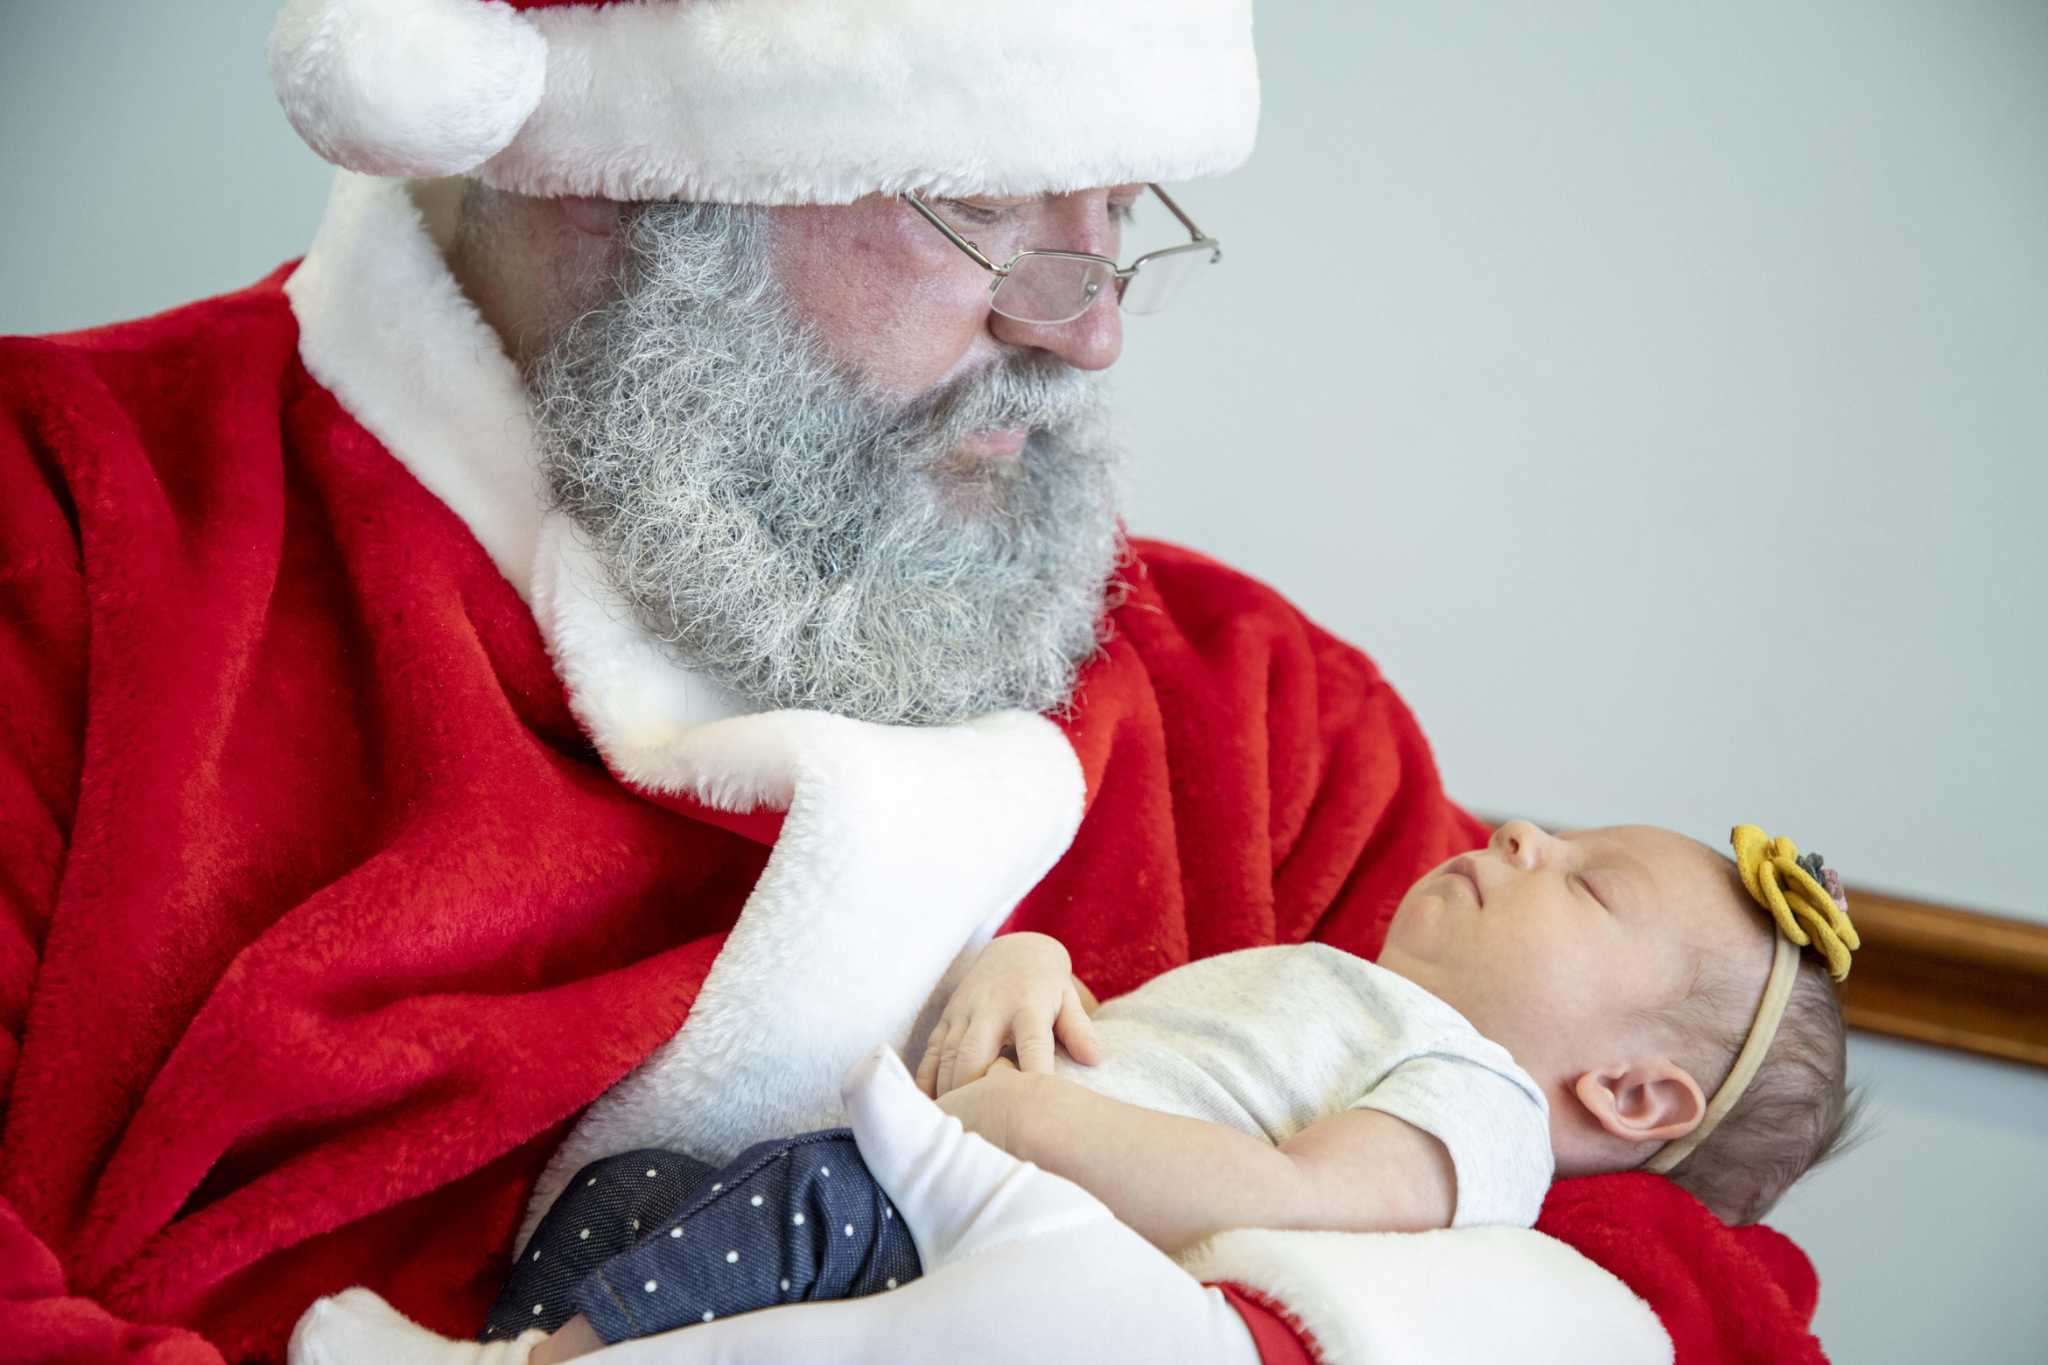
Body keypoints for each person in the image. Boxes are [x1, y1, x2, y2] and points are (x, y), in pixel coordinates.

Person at [0, 2, 1834, 1362]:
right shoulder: (70, 536)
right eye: (985, 205)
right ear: (610, 179)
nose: (1089, 320)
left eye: (1125, 213)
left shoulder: (1264, 717)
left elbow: (1697, 1284)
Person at [394, 820, 1849, 1364]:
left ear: (1633, 1093)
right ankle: (522, 1334)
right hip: (921, 1170)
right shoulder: (1348, 992)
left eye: (1587, 881)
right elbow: (1145, 1042)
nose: (1524, 831)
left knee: (785, 1214)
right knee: (632, 1192)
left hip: (983, 1234)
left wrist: (1040, 1125)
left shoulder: (1480, 1110)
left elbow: (1292, 1196)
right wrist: (1034, 969)